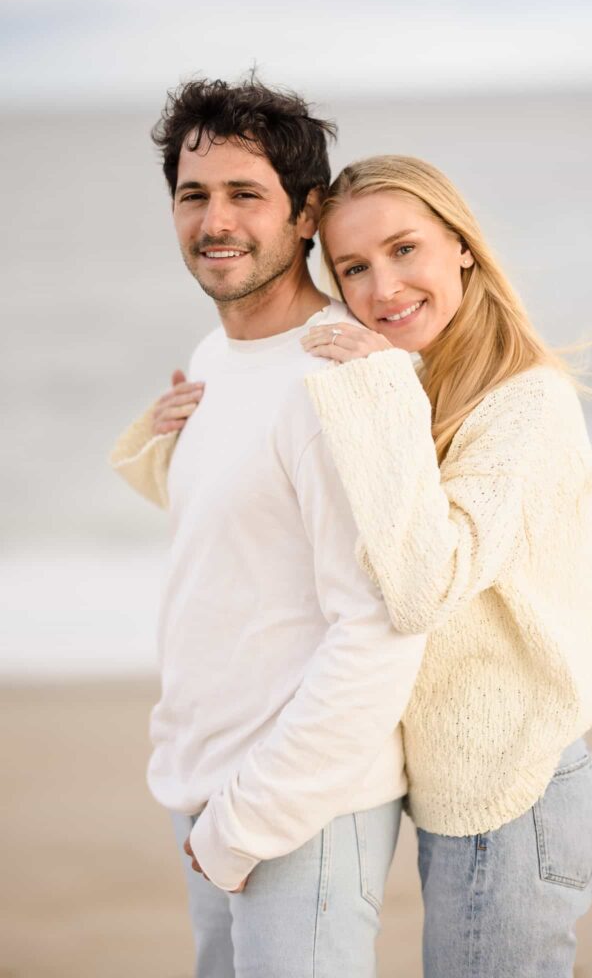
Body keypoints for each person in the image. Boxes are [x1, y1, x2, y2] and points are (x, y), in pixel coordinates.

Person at [158, 154, 592, 977]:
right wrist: (175, 431)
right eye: (353, 269)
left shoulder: (522, 404)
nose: (381, 288)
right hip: (441, 779)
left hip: (514, 784)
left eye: (406, 250)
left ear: (462, 247)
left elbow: (419, 588)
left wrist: (372, 387)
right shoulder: (424, 376)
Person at [110, 83, 426, 978]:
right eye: (193, 194)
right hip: (208, 785)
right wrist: (159, 441)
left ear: (305, 215)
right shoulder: (217, 355)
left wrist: (248, 821)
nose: (216, 221)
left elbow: (380, 627)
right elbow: (235, 538)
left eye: (246, 194)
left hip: (300, 809)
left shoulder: (340, 377)